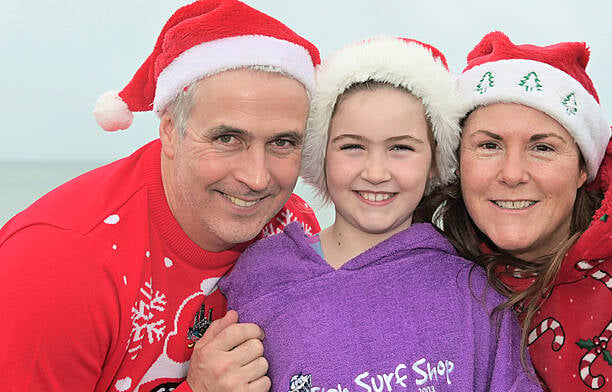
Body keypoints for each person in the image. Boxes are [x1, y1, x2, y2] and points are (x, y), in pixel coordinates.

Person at [0, 0, 323, 390]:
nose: (257, 177)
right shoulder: (57, 262)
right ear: (169, 130)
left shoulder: (295, 228)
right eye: (227, 138)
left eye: (282, 142)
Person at [218, 36, 542, 391]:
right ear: (320, 153)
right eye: (352, 147)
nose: (375, 172)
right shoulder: (262, 275)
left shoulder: (473, 293)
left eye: (400, 148)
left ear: (436, 161)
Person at [422, 31, 612, 391]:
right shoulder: (435, 275)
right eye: (489, 145)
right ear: (458, 162)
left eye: (543, 148)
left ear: (584, 168)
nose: (512, 174)